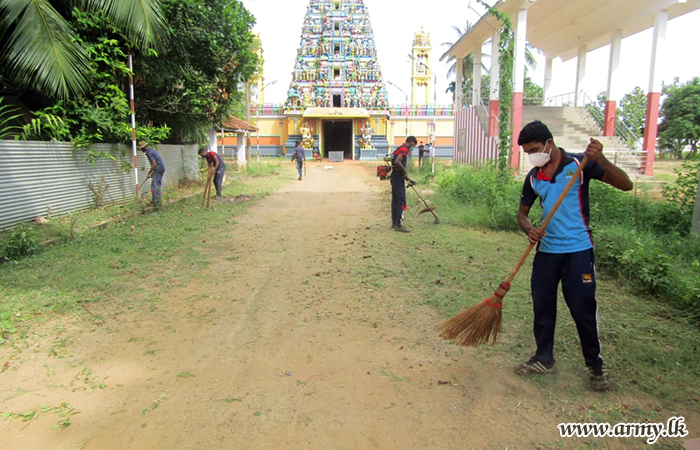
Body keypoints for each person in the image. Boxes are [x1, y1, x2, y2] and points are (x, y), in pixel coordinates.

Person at [514, 120, 633, 391]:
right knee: (542, 307)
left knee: (582, 310)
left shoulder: (580, 165)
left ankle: (595, 366)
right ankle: (544, 359)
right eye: (527, 152)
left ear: (549, 143)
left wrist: (601, 159)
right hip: (547, 254)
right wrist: (529, 229)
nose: (532, 156)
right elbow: (522, 214)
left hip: (578, 251)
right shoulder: (534, 177)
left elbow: (626, 185)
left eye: (534, 149)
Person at [390, 136, 417, 232]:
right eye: (413, 145)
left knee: (396, 200)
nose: (412, 148)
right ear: (412, 143)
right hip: (397, 177)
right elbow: (398, 162)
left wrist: (408, 179)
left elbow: (397, 166)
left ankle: (394, 223)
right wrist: (405, 172)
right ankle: (399, 225)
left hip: (395, 177)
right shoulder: (404, 149)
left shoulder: (398, 148)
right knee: (401, 201)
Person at [138, 140, 165, 206]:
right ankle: (158, 200)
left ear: (144, 147)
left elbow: (154, 164)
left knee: (154, 186)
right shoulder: (152, 150)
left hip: (157, 169)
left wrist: (149, 173)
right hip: (161, 168)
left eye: (142, 149)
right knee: (158, 185)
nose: (142, 150)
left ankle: (154, 201)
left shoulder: (149, 152)